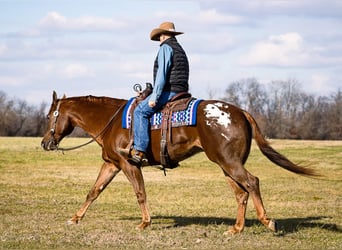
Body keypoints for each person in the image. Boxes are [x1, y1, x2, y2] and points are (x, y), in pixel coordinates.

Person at [119, 21, 189, 165]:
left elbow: (162, 75)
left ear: (162, 35)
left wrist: (154, 96)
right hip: (181, 90)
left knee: (139, 111)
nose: (159, 40)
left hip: (169, 91)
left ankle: (139, 151)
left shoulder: (165, 48)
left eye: (159, 37)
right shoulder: (179, 49)